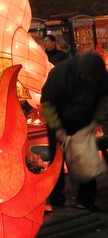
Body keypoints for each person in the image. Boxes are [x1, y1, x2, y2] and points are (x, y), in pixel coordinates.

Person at [40, 52, 108, 211]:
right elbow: (47, 103)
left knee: (86, 161)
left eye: (92, 78)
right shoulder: (61, 73)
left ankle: (86, 202)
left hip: (84, 123)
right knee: (57, 162)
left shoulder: (101, 76)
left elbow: (104, 99)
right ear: (80, 71)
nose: (89, 80)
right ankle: (57, 200)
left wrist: (96, 120)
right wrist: (57, 128)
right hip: (59, 121)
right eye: (87, 77)